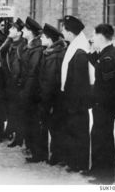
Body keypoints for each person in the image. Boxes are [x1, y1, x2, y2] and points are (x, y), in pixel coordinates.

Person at [86, 24, 115, 184]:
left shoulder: (108, 57)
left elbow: (107, 86)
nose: (92, 39)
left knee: (104, 139)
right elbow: (99, 67)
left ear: (101, 37)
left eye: (94, 36)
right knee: (97, 136)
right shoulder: (109, 53)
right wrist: (91, 53)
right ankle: (96, 170)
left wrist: (96, 102)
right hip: (104, 104)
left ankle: (106, 178)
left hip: (106, 105)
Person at [61, 15, 93, 172]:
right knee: (74, 131)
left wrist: (72, 103)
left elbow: (80, 83)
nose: (62, 32)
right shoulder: (75, 46)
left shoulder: (79, 51)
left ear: (70, 32)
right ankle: (75, 162)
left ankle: (80, 164)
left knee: (79, 132)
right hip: (75, 100)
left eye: (64, 29)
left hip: (77, 101)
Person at [38, 23, 67, 165]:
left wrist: (46, 102)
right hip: (54, 99)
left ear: (49, 39)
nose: (41, 39)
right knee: (54, 127)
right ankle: (56, 155)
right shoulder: (52, 53)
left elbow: (50, 82)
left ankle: (56, 156)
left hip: (52, 99)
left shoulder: (53, 56)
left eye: (43, 36)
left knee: (53, 127)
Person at [18, 17, 44, 162]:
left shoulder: (36, 49)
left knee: (33, 122)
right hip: (26, 90)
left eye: (25, 29)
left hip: (32, 93)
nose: (22, 31)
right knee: (28, 120)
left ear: (31, 32)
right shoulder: (28, 45)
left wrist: (25, 93)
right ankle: (30, 148)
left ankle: (36, 153)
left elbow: (32, 73)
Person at [0, 18, 26, 147]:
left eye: (13, 29)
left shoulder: (22, 45)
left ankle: (19, 138)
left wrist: (18, 81)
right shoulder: (12, 43)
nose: (9, 30)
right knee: (12, 109)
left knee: (18, 111)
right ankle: (11, 131)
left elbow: (22, 66)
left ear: (19, 33)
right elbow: (1, 51)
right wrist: (9, 38)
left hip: (18, 84)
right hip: (11, 83)